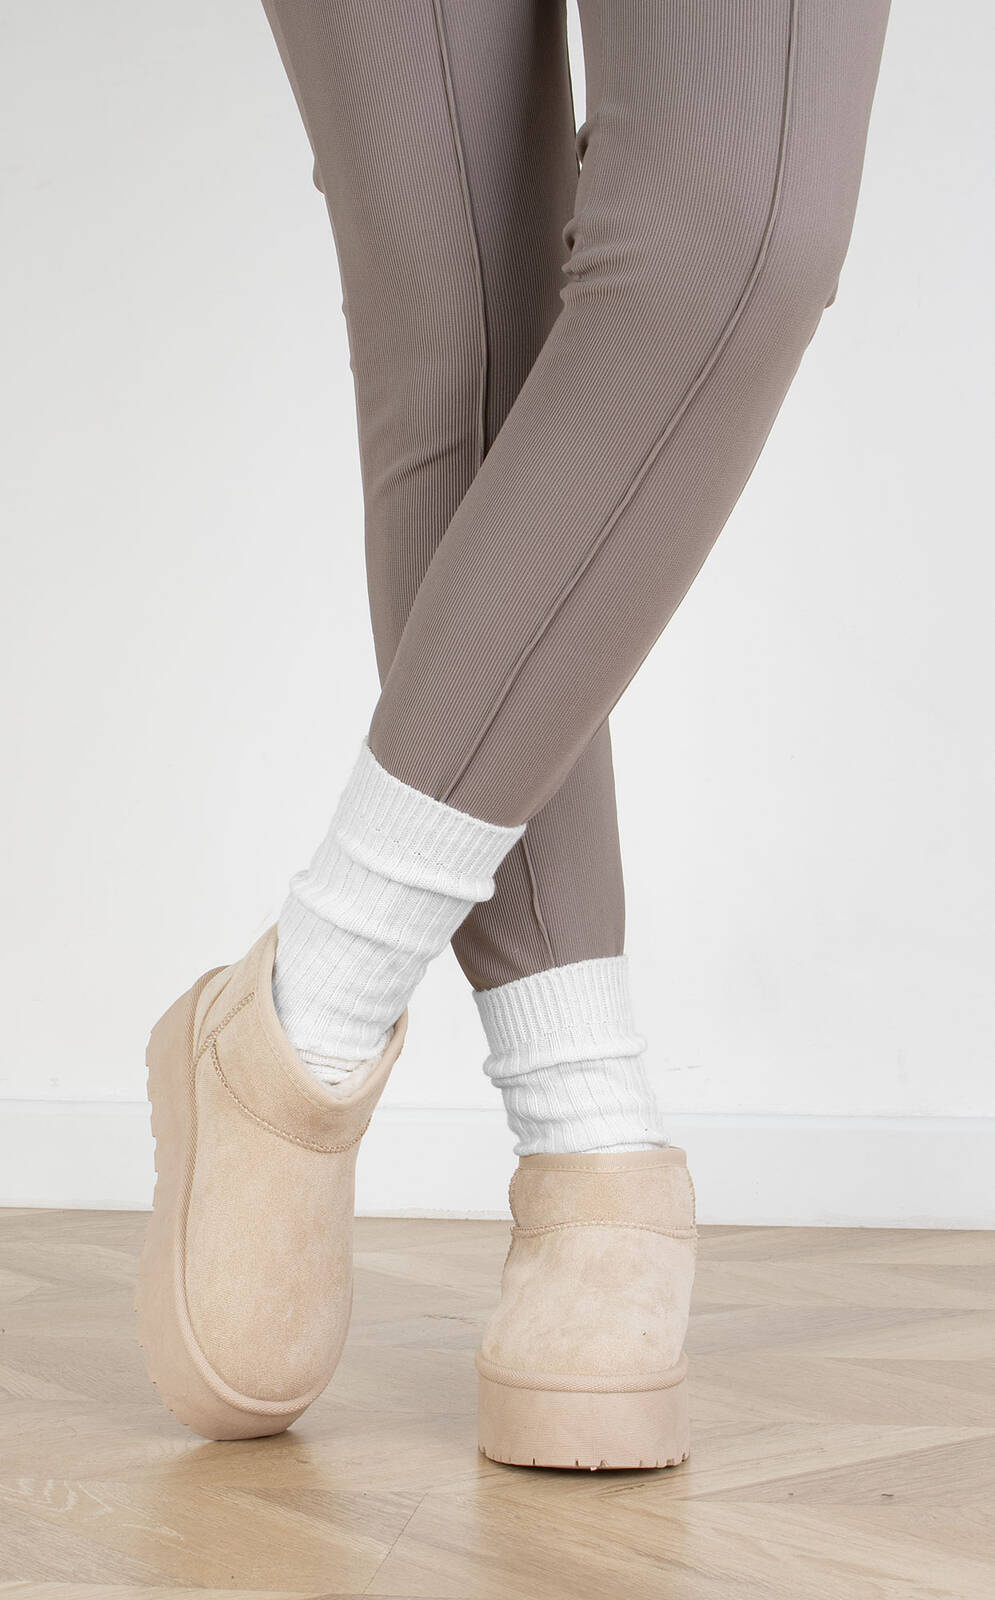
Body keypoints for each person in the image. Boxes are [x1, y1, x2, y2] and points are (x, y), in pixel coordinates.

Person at [135, 0, 890, 1468]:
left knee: (742, 232)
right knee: (457, 320)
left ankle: (308, 1010)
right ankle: (584, 1124)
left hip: (341, 965)